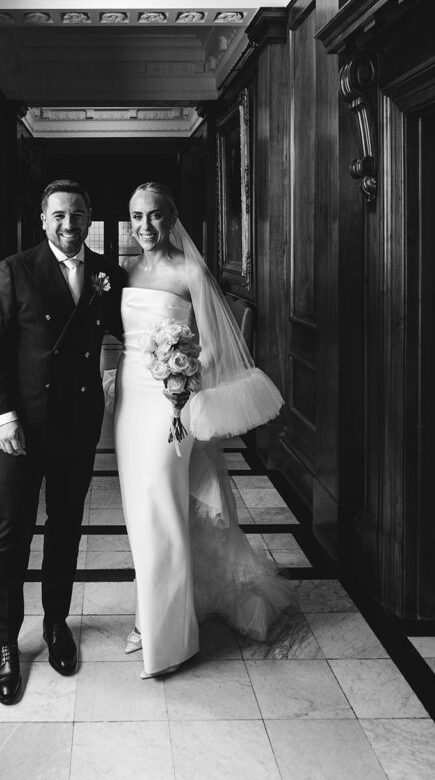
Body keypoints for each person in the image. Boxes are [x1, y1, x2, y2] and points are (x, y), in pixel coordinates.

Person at [114, 182, 291, 679]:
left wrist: (180, 378)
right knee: (138, 510)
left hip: (172, 403)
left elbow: (213, 347)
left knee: (164, 507)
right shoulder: (127, 269)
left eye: (154, 216)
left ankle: (171, 637)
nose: (144, 226)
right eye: (136, 216)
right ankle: (148, 614)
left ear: (171, 219)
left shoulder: (189, 269)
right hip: (130, 401)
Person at [0, 179, 124, 704]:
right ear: (44, 220)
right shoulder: (14, 271)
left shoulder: (109, 273)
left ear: (90, 218)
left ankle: (57, 625)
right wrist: (4, 417)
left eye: (78, 215)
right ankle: (5, 643)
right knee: (11, 532)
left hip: (78, 422)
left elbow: (133, 332)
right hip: (23, 426)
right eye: (59, 215)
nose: (69, 224)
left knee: (65, 527)